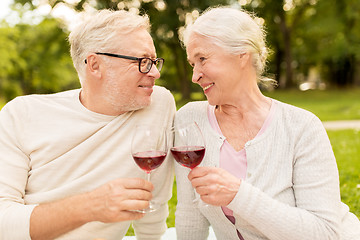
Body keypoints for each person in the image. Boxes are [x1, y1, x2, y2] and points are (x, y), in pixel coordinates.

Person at [174, 6, 360, 240]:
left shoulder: (302, 127)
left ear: (242, 54)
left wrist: (238, 195)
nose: (195, 75)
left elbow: (324, 233)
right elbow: (190, 216)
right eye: (193, 64)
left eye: (202, 59)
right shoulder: (191, 120)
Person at [0, 9, 176, 240]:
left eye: (154, 61)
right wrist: (90, 206)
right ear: (94, 65)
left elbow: (154, 204)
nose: (154, 72)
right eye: (142, 62)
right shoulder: (21, 114)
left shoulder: (157, 103)